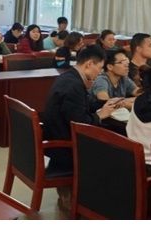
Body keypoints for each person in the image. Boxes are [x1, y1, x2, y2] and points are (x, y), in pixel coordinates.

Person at [42, 45, 118, 210]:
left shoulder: (69, 77)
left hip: (57, 136)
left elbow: (83, 105)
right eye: (100, 68)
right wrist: (100, 115)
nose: (100, 73)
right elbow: (81, 125)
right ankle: (99, 203)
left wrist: (104, 104)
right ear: (89, 64)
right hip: (64, 147)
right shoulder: (74, 86)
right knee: (116, 149)